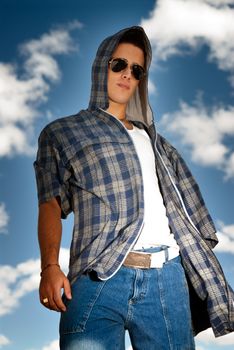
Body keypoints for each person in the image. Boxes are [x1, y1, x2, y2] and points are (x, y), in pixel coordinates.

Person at [34, 26, 234, 350]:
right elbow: (50, 204)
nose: (127, 74)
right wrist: (50, 267)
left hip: (166, 281)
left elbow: (187, 211)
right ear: (102, 66)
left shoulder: (158, 143)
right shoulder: (62, 133)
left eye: (136, 70)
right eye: (119, 65)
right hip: (97, 277)